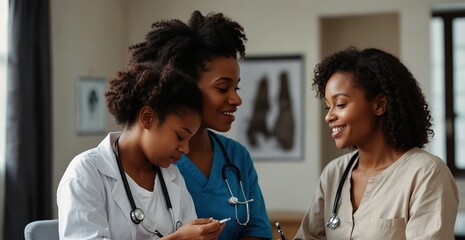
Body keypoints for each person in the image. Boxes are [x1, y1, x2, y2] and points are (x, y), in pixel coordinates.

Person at [129, 10, 273, 240]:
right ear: (185, 86)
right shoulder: (158, 160)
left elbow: (258, 231)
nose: (237, 100)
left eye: (236, 88)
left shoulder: (236, 157)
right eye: (222, 88)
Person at [294, 47, 459, 239]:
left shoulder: (426, 173)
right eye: (327, 106)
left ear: (379, 105)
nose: (329, 117)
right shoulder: (334, 173)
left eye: (340, 104)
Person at [57, 62, 225, 239]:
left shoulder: (172, 177)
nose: (185, 149)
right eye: (180, 136)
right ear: (147, 118)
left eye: (189, 140)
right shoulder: (85, 174)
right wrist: (178, 238)